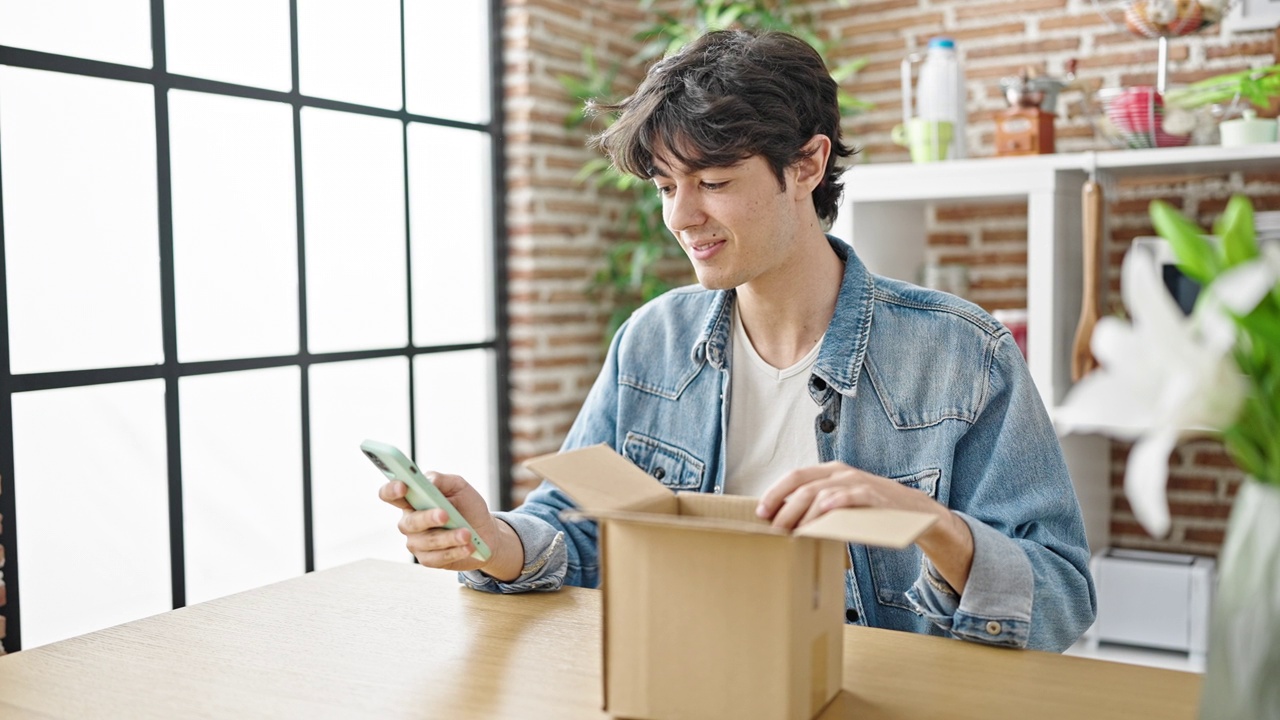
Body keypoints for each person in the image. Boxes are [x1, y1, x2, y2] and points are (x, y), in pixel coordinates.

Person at [379, 28, 1095, 652]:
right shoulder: (652, 342)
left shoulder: (963, 354)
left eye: (713, 180)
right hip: (688, 678)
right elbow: (579, 528)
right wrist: (494, 544)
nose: (683, 217)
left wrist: (934, 527)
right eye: (665, 187)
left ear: (807, 166)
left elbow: (1061, 599)